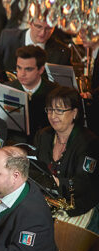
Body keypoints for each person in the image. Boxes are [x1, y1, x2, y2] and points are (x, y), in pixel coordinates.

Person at [33, 87, 99, 218]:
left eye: (59, 110)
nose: (53, 116)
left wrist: (56, 183)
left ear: (74, 113)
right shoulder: (43, 135)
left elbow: (84, 183)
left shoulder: (89, 142)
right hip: (44, 201)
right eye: (50, 110)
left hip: (75, 207)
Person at [5, 45, 57, 138]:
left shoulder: (55, 92)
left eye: (28, 69)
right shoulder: (6, 89)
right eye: (19, 68)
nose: (22, 74)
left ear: (41, 69)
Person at [0, 15, 71, 72]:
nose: (42, 33)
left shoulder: (62, 52)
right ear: (30, 22)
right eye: (39, 27)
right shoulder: (8, 39)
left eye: (48, 28)